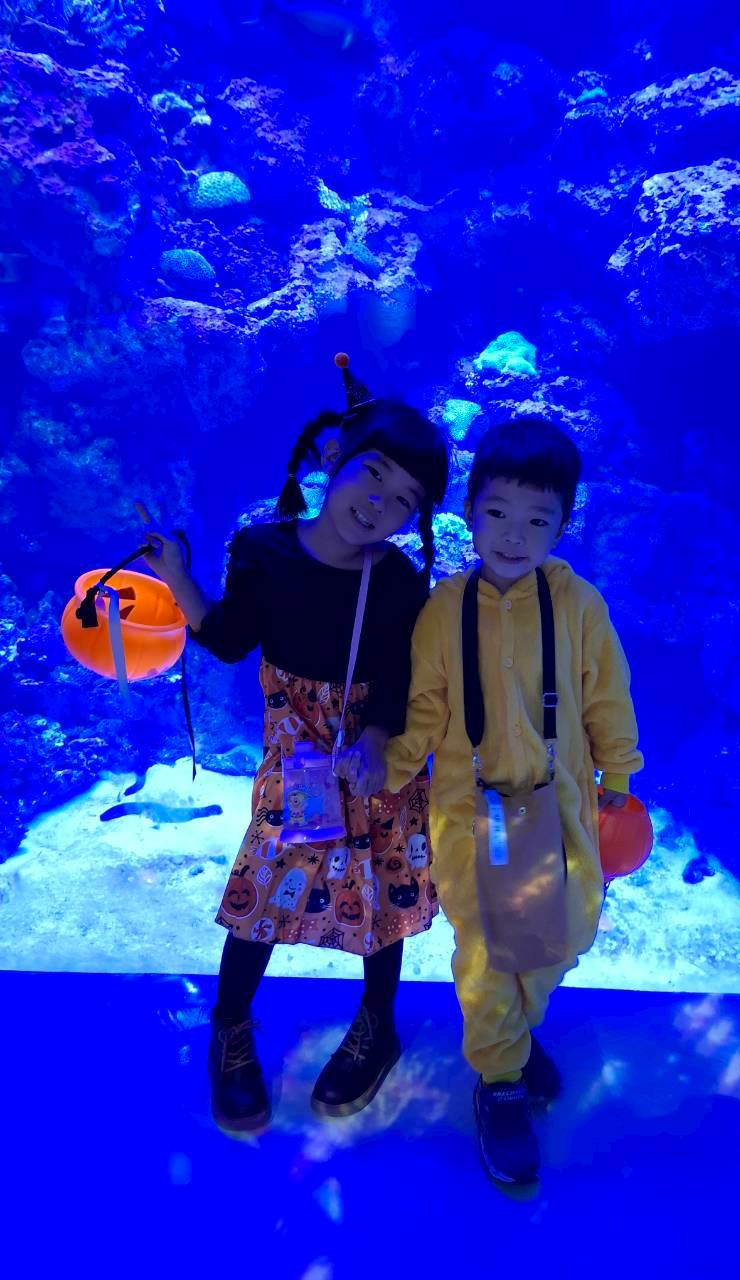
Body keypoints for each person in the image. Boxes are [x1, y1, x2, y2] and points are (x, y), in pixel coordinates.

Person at [138, 356, 448, 1133]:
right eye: (373, 475)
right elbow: (231, 638)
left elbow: (405, 674)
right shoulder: (263, 550)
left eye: (405, 501)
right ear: (333, 456)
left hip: (373, 755)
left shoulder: (399, 580)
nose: (380, 505)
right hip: (299, 751)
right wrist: (178, 580)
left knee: (381, 885)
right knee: (263, 881)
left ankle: (377, 1023)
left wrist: (378, 737)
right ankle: (230, 1026)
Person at [366, 415, 642, 1184]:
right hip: (471, 813)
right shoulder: (444, 607)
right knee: (487, 949)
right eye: (497, 512)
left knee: (562, 935)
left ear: (563, 525)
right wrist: (389, 770)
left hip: (562, 807)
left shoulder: (580, 604)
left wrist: (619, 781)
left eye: (537, 520)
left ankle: (513, 1035)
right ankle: (500, 1081)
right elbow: (425, 707)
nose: (514, 535)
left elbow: (607, 697)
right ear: (468, 512)